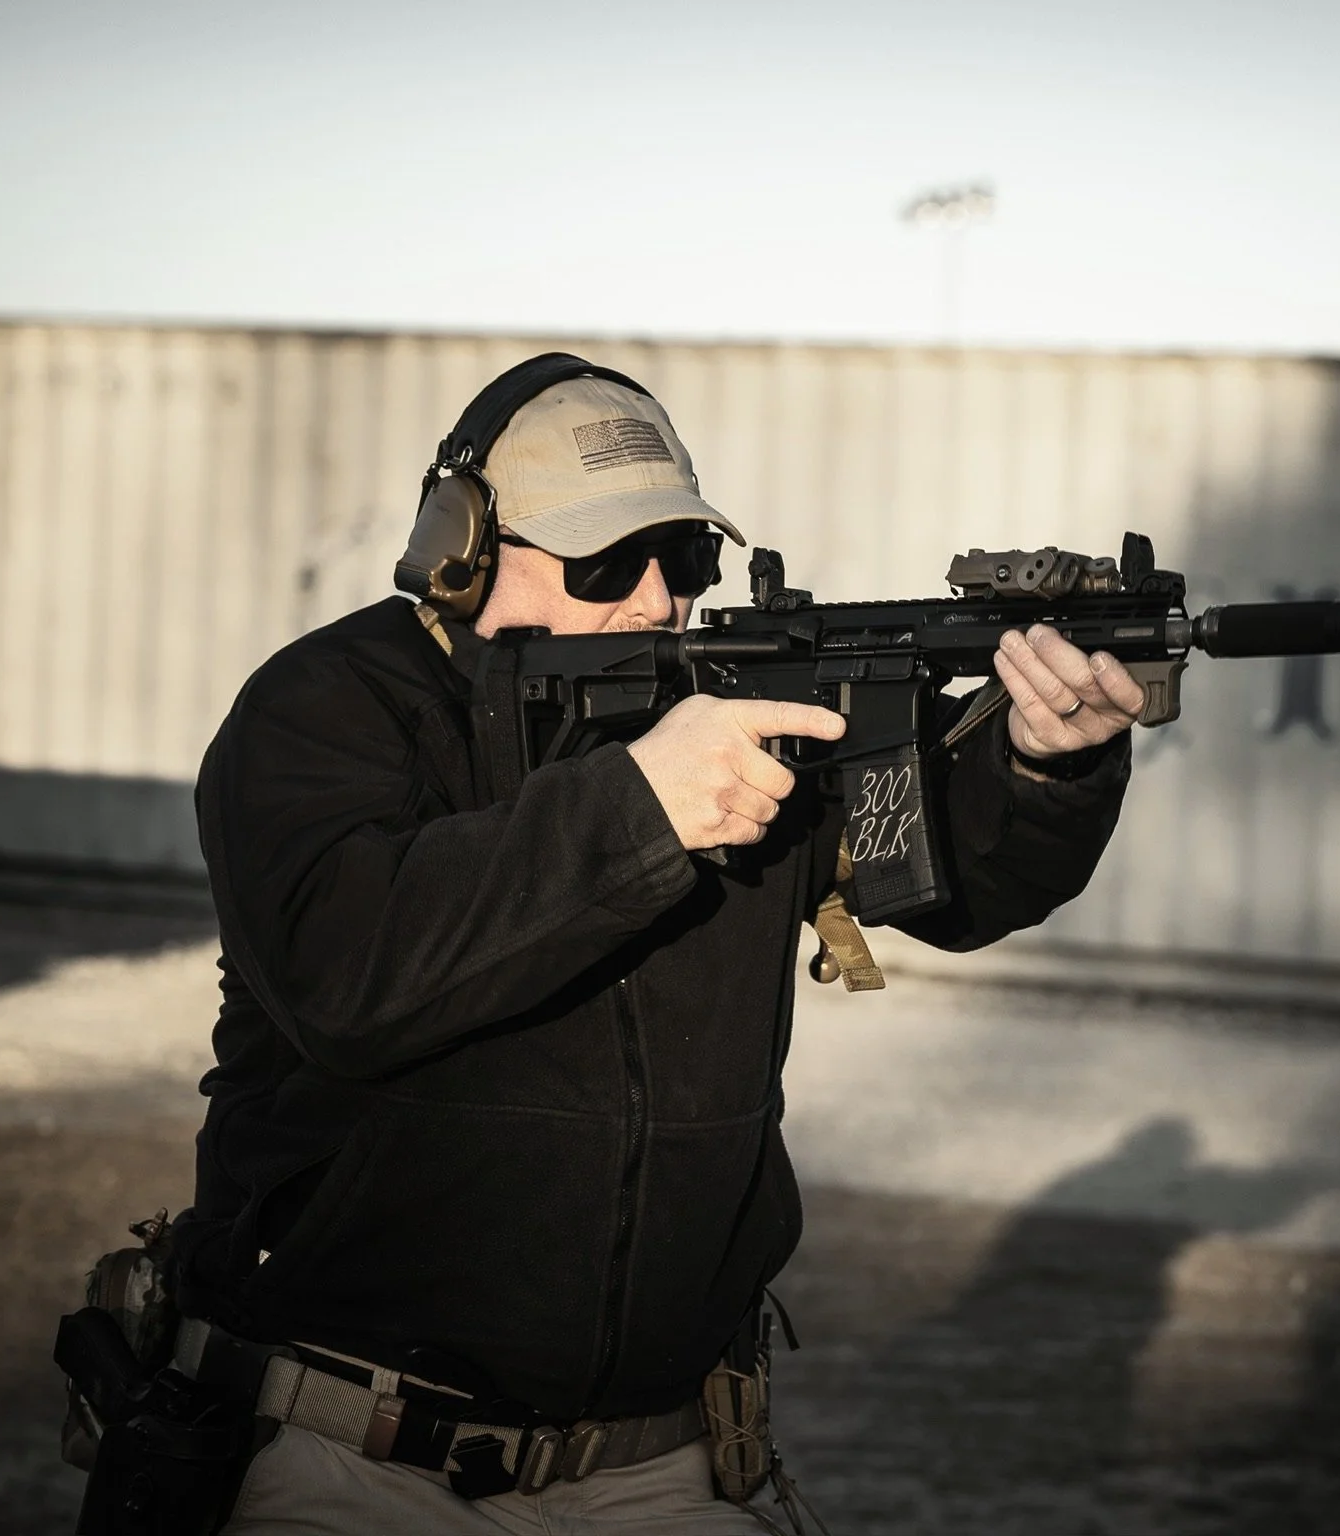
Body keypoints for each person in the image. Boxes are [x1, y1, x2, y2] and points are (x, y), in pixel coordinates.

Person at [168, 354, 1146, 1534]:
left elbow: (955, 882)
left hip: (659, 1463)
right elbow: (347, 975)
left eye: (680, 559)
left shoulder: (725, 703)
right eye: (601, 562)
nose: (650, 599)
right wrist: (639, 810)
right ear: (460, 550)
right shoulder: (326, 709)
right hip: (352, 1451)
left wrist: (1047, 763)